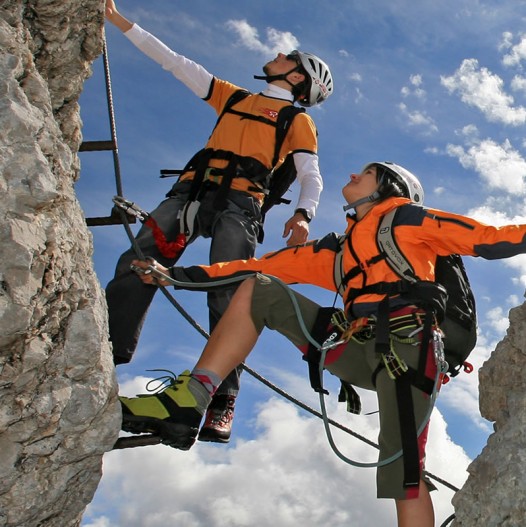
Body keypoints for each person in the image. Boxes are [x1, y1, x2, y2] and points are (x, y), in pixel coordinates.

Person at [120, 160, 526, 526]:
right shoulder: (339, 249)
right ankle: (192, 398)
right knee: (257, 288)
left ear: (390, 186)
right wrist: (176, 274)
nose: (351, 174)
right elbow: (258, 266)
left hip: (409, 347)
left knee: (403, 470)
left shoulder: (409, 219)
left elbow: (491, 238)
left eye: (366, 172)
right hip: (354, 343)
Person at [104, 1, 334, 443]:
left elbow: (311, 175)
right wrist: (117, 20)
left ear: (297, 76)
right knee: (137, 260)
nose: (279, 54)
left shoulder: (296, 119)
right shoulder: (235, 98)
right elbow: (176, 64)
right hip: (191, 194)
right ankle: (106, 352)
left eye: (289, 55)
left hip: (240, 206)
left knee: (228, 296)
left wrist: (303, 214)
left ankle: (221, 398)